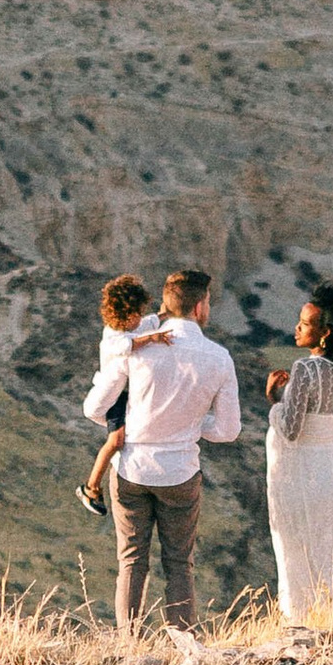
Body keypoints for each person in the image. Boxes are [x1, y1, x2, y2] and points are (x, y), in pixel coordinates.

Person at [83, 263, 240, 636]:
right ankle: (183, 641)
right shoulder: (219, 358)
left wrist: (132, 424)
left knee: (132, 562)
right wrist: (191, 423)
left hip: (132, 469)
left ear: (166, 305)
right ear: (201, 307)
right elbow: (228, 430)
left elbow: (94, 409)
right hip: (181, 473)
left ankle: (128, 643)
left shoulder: (137, 348)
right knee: (179, 563)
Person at [263, 280, 333, 623]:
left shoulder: (305, 369)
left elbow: (291, 429)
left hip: (302, 469)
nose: (296, 327)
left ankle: (300, 617)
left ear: (325, 333)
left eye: (305, 323)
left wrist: (274, 401)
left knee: (297, 541)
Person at [76, 274, 169, 515]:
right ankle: (91, 486)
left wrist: (164, 315)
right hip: (114, 399)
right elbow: (130, 344)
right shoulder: (112, 337)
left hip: (124, 396)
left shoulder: (132, 327)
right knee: (115, 441)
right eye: (137, 313)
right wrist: (153, 337)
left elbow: (147, 323)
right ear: (125, 315)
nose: (140, 318)